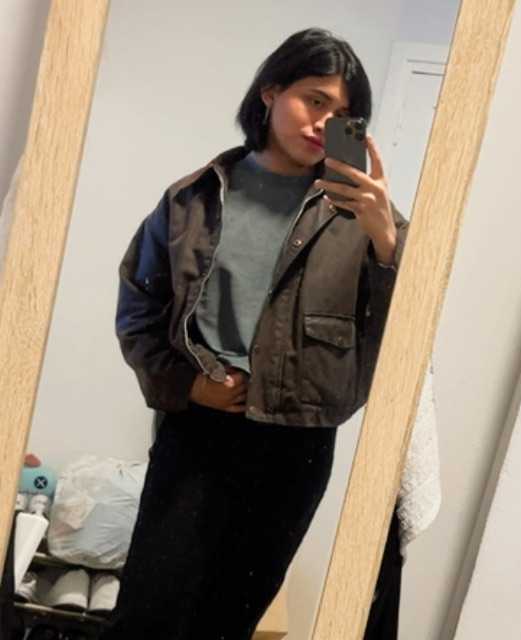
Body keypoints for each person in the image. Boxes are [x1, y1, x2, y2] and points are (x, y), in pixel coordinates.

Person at [102, 27, 409, 640]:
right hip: (199, 428)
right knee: (148, 613)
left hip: (297, 444)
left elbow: (405, 333)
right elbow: (139, 306)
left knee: (228, 621)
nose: (324, 124)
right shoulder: (193, 199)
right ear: (270, 91)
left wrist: (385, 238)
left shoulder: (361, 215)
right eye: (314, 100)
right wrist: (185, 386)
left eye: (344, 116)